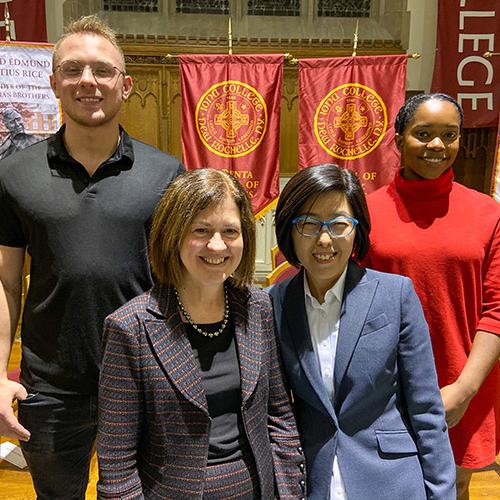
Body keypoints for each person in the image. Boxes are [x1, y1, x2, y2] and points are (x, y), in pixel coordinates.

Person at [0, 15, 184, 500]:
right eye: (73, 69)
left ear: (125, 84)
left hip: (145, 376)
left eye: (102, 70)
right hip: (53, 385)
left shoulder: (166, 174)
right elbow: (5, 283)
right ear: (54, 81)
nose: (88, 80)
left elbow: (185, 281)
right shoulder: (13, 175)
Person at [97, 168, 306, 499]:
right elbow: (117, 465)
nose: (217, 245)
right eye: (201, 230)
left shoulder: (259, 307)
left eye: (230, 231)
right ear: (173, 235)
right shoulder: (130, 328)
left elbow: (279, 417)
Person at [268, 164, 456, 499]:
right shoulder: (274, 304)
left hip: (392, 479)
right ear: (289, 231)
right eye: (309, 224)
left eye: (339, 224)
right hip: (312, 480)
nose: (325, 239)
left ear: (357, 230)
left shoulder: (394, 295)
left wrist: (441, 493)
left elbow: (427, 409)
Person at [364, 93, 500, 500]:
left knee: (451, 486)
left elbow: (496, 310)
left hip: (463, 377)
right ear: (399, 138)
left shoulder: (487, 213)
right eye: (423, 134)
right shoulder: (366, 211)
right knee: (385, 483)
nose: (437, 146)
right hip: (383, 383)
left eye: (449, 135)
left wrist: (464, 390)